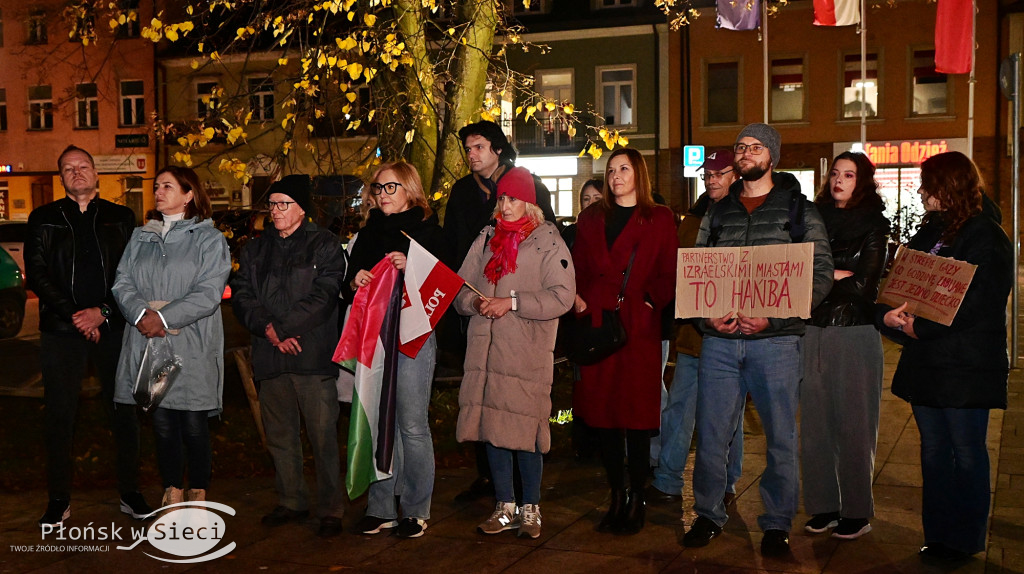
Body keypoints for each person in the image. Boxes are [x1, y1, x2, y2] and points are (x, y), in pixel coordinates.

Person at [683, 124, 833, 556]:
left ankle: (776, 523)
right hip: (720, 343)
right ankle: (708, 514)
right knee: (711, 435)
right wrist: (704, 315)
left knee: (781, 437)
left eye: (755, 147)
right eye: (740, 147)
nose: (745, 153)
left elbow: (819, 275)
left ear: (773, 156)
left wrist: (773, 317)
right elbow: (696, 272)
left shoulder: (800, 211)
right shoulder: (718, 211)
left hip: (777, 345)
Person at [878, 151, 1011, 563]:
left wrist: (921, 328)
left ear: (948, 188)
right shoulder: (929, 234)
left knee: (967, 451)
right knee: (934, 451)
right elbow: (902, 285)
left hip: (965, 365)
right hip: (929, 365)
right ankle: (937, 534)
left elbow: (978, 303)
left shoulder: (986, 236)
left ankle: (965, 539)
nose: (920, 192)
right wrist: (891, 316)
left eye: (928, 184)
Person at [26, 145, 150, 526]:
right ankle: (59, 499)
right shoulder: (43, 218)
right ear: (60, 177)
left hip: (113, 329)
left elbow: (132, 275)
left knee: (123, 412)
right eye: (68, 168)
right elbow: (38, 273)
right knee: (60, 417)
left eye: (82, 166)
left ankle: (130, 492)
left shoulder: (121, 218)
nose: (76, 172)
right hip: (61, 332)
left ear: (96, 174)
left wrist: (103, 313)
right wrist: (75, 316)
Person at [454, 166, 575, 539]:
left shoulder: (547, 241)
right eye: (502, 198)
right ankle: (503, 505)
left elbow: (563, 296)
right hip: (486, 355)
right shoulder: (486, 238)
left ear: (530, 203)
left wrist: (512, 302)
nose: (505, 206)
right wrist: (476, 303)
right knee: (493, 428)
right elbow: (459, 289)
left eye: (514, 198)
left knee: (525, 430)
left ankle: (531, 507)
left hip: (525, 352)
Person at [442, 120, 555, 503]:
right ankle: (490, 480)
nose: (471, 155)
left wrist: (517, 301)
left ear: (497, 149)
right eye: (467, 148)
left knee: (520, 406)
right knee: (482, 398)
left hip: (520, 323)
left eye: (478, 147)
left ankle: (527, 494)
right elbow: (454, 248)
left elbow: (548, 247)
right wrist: (467, 299)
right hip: (478, 310)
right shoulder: (461, 193)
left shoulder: (528, 184)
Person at [231, 174, 348, 538]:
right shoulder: (254, 249)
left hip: (311, 356)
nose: (276, 211)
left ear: (302, 209)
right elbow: (242, 294)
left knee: (323, 435)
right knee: (280, 436)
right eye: (273, 204)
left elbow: (325, 296)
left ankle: (330, 508)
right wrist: (269, 329)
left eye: (284, 204)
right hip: (270, 356)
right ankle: (291, 500)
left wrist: (282, 329)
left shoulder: (325, 245)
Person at [571, 148, 678, 535]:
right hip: (598, 321)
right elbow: (578, 266)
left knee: (634, 416)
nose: (616, 176)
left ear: (639, 174)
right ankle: (616, 494)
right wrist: (580, 299)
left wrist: (651, 300)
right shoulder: (590, 219)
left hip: (638, 325)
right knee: (604, 416)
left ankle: (637, 497)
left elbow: (670, 271)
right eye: (611, 170)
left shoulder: (661, 218)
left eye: (624, 169)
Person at [112, 166, 231, 511]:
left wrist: (163, 317)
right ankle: (171, 490)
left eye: (167, 186)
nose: (158, 191)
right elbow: (122, 282)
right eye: (156, 186)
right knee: (161, 422)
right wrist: (140, 315)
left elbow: (208, 292)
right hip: (149, 341)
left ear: (188, 194)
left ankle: (198, 491)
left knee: (193, 422)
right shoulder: (140, 237)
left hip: (191, 342)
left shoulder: (209, 239)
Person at [347, 161, 447, 539]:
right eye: (378, 188)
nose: (383, 195)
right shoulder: (369, 233)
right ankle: (381, 507)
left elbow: (446, 282)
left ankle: (416, 509)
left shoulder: (428, 231)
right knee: (377, 419)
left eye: (390, 187)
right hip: (376, 337)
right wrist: (355, 278)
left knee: (411, 424)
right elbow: (350, 279)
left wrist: (413, 266)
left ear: (410, 189)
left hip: (413, 337)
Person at [801, 152, 890, 540]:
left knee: (855, 426)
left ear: (863, 181)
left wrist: (821, 276)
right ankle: (824, 507)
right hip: (812, 330)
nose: (839, 180)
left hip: (854, 333)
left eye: (849, 175)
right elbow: (795, 269)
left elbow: (865, 287)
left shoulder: (874, 225)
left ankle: (856, 511)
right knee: (815, 427)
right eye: (835, 174)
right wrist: (834, 274)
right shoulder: (811, 220)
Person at [651, 150, 744, 504]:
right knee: (680, 409)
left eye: (720, 173)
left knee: (728, 417)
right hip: (694, 336)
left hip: (733, 334)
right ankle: (667, 478)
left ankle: (726, 481)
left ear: (735, 175)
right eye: (708, 174)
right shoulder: (693, 219)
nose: (712, 179)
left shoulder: (748, 215)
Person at [560, 178, 603, 250]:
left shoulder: (615, 231)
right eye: (586, 199)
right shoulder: (571, 232)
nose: (591, 202)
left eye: (597, 198)